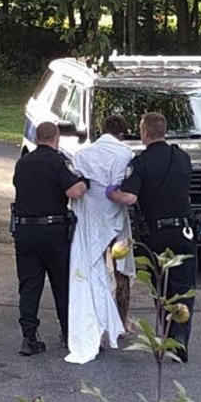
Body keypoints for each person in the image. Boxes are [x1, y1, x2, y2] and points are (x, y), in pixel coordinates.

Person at [107, 112, 196, 363]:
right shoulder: (182, 158)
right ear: (163, 131)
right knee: (184, 287)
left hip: (155, 234)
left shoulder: (141, 162)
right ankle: (181, 337)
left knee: (161, 287)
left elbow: (130, 198)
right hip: (184, 231)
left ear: (145, 132)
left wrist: (111, 194)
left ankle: (167, 336)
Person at [11, 121, 88, 356]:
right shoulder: (57, 163)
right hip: (53, 232)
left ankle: (29, 337)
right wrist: (85, 183)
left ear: (36, 138)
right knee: (61, 283)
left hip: (24, 231)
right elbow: (73, 191)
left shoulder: (22, 163)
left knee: (29, 286)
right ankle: (68, 333)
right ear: (56, 139)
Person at [64, 115, 136, 364]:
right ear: (123, 134)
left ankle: (98, 323)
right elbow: (123, 185)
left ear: (100, 131)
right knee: (120, 270)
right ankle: (120, 321)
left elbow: (79, 183)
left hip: (87, 218)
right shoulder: (125, 154)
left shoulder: (82, 154)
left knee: (90, 268)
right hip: (114, 217)